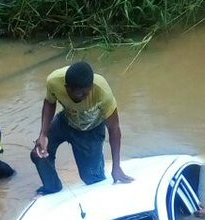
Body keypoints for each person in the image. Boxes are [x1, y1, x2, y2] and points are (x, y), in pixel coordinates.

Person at [30, 61, 134, 194]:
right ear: (67, 88)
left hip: (91, 129)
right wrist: (43, 134)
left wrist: (116, 167)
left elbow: (114, 129)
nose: (85, 97)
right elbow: (49, 103)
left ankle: (97, 163)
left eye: (87, 93)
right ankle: (53, 187)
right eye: (80, 94)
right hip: (66, 121)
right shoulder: (53, 81)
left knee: (92, 178)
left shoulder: (102, 90)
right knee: (38, 154)